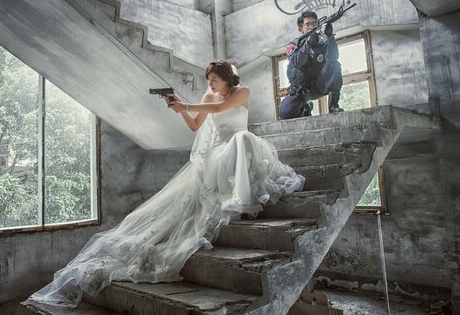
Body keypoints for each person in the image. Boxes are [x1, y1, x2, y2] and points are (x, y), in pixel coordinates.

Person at [25, 60, 305, 308]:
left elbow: (221, 107)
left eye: (214, 80)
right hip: (218, 155)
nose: (210, 85)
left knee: (243, 139)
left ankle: (243, 198)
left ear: (227, 79)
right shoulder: (208, 95)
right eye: (208, 82)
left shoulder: (242, 92)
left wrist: (187, 104)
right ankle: (232, 198)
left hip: (240, 149)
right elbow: (196, 126)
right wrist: (179, 110)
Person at [279, 11, 344, 119]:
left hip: (318, 86)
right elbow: (297, 61)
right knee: (286, 112)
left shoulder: (322, 42)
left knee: (335, 65)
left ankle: (333, 106)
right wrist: (308, 44)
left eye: (314, 23)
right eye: (308, 24)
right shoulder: (294, 45)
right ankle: (305, 108)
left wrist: (330, 37)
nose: (311, 26)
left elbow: (334, 57)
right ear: (300, 29)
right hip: (301, 90)